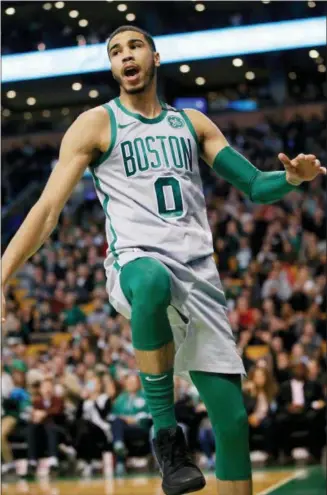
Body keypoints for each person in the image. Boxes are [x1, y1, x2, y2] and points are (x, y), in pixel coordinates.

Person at [1, 25, 326, 495]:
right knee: (151, 280)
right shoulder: (95, 123)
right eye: (115, 51)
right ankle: (167, 437)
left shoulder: (194, 125)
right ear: (112, 67)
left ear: (155, 57)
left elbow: (254, 185)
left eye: (134, 46)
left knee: (234, 421)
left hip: (199, 276)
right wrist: (4, 271)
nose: (125, 56)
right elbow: (48, 209)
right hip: (135, 264)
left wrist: (292, 180)